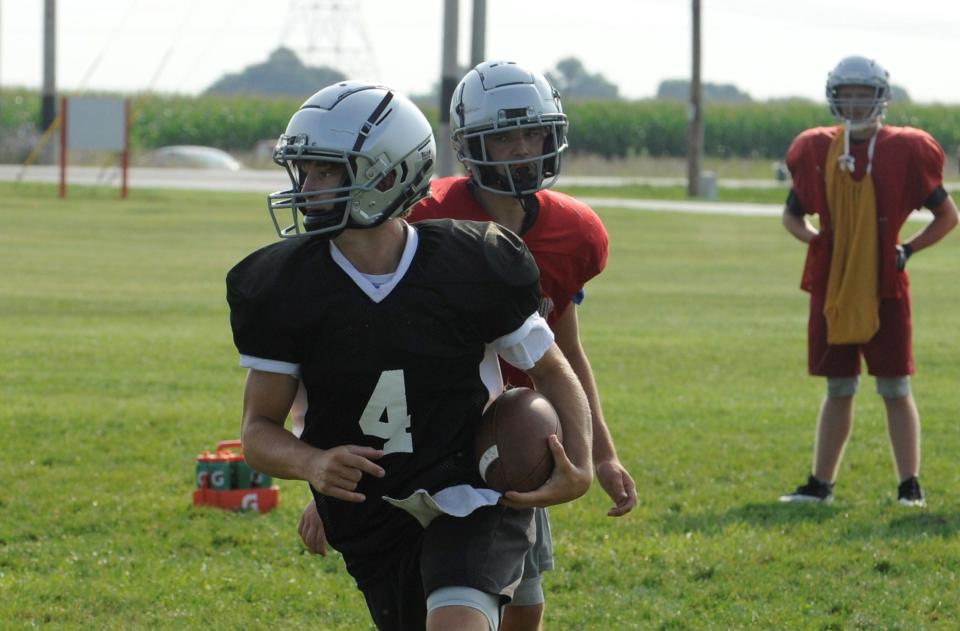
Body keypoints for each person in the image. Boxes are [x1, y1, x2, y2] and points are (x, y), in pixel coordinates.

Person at [227, 81, 593, 631]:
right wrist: (313, 463)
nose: (307, 186)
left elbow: (550, 366)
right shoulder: (283, 285)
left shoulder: (472, 262)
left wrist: (584, 463)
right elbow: (258, 429)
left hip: (471, 486)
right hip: (371, 509)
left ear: (389, 174)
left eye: (326, 171)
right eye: (304, 170)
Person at [778, 56, 957, 507]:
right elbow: (792, 214)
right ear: (834, 95)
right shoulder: (816, 147)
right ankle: (821, 485)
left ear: (880, 97)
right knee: (838, 386)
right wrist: (817, 241)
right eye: (847, 94)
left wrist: (908, 249)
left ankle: (909, 485)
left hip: (883, 282)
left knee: (895, 386)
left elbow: (947, 215)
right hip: (834, 281)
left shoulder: (907, 148)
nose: (855, 103)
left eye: (863, 94)